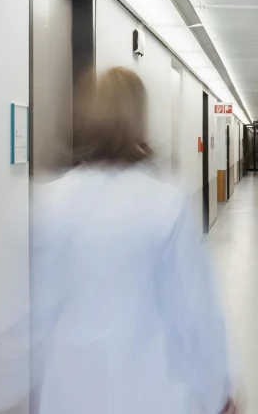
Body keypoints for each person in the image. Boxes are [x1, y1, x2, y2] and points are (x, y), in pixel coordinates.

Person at [32, 67, 237, 414]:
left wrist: (6, 394)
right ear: (137, 119)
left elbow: (27, 316)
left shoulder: (46, 204)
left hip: (69, 390)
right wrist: (218, 386)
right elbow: (196, 309)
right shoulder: (164, 202)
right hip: (151, 388)